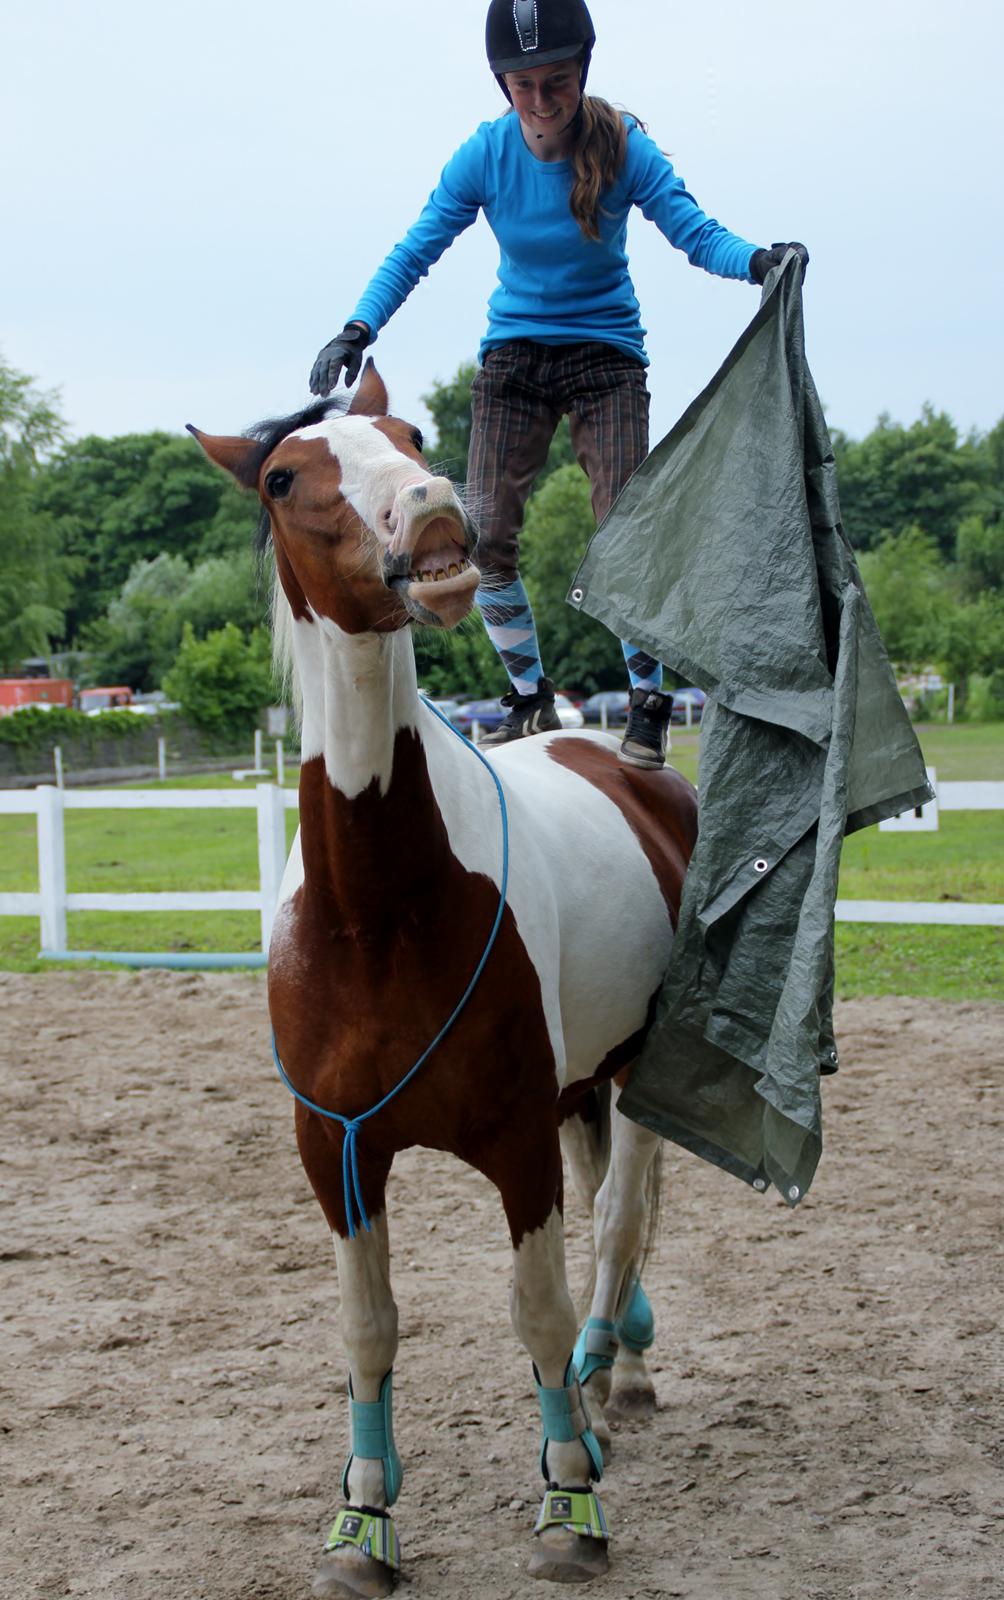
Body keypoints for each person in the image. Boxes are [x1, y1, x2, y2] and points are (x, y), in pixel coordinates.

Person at [310, 0, 806, 769]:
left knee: (624, 531)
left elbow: (693, 229)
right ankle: (528, 697)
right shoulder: (485, 155)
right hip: (514, 359)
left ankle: (648, 702)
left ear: (584, 74)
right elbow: (416, 248)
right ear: (502, 86)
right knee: (483, 538)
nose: (542, 103)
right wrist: (358, 327)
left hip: (606, 358)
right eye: (524, 86)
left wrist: (757, 262)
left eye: (559, 82)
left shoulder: (625, 148)